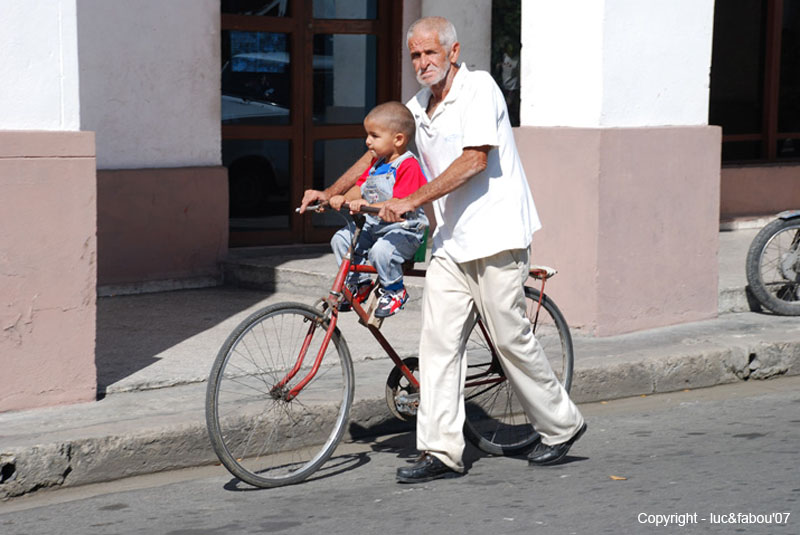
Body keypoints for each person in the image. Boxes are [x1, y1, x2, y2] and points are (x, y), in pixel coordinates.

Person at [300, 17, 585, 483]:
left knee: (510, 337)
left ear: (453, 53)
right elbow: (377, 153)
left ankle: (561, 424)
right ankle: (441, 451)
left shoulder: (480, 89)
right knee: (438, 345)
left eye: (430, 53)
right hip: (451, 242)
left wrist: (409, 200)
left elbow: (475, 159)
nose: (422, 63)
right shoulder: (417, 107)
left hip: (498, 235)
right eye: (415, 55)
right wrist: (329, 189)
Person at [327, 101, 429, 318]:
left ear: (398, 139)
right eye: (367, 135)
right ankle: (359, 283)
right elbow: (359, 188)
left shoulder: (408, 165)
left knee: (380, 252)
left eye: (374, 136)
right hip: (375, 226)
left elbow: (400, 201)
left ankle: (395, 290)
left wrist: (365, 205)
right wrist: (342, 198)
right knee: (341, 240)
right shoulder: (376, 164)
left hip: (404, 230)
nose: (367, 141)